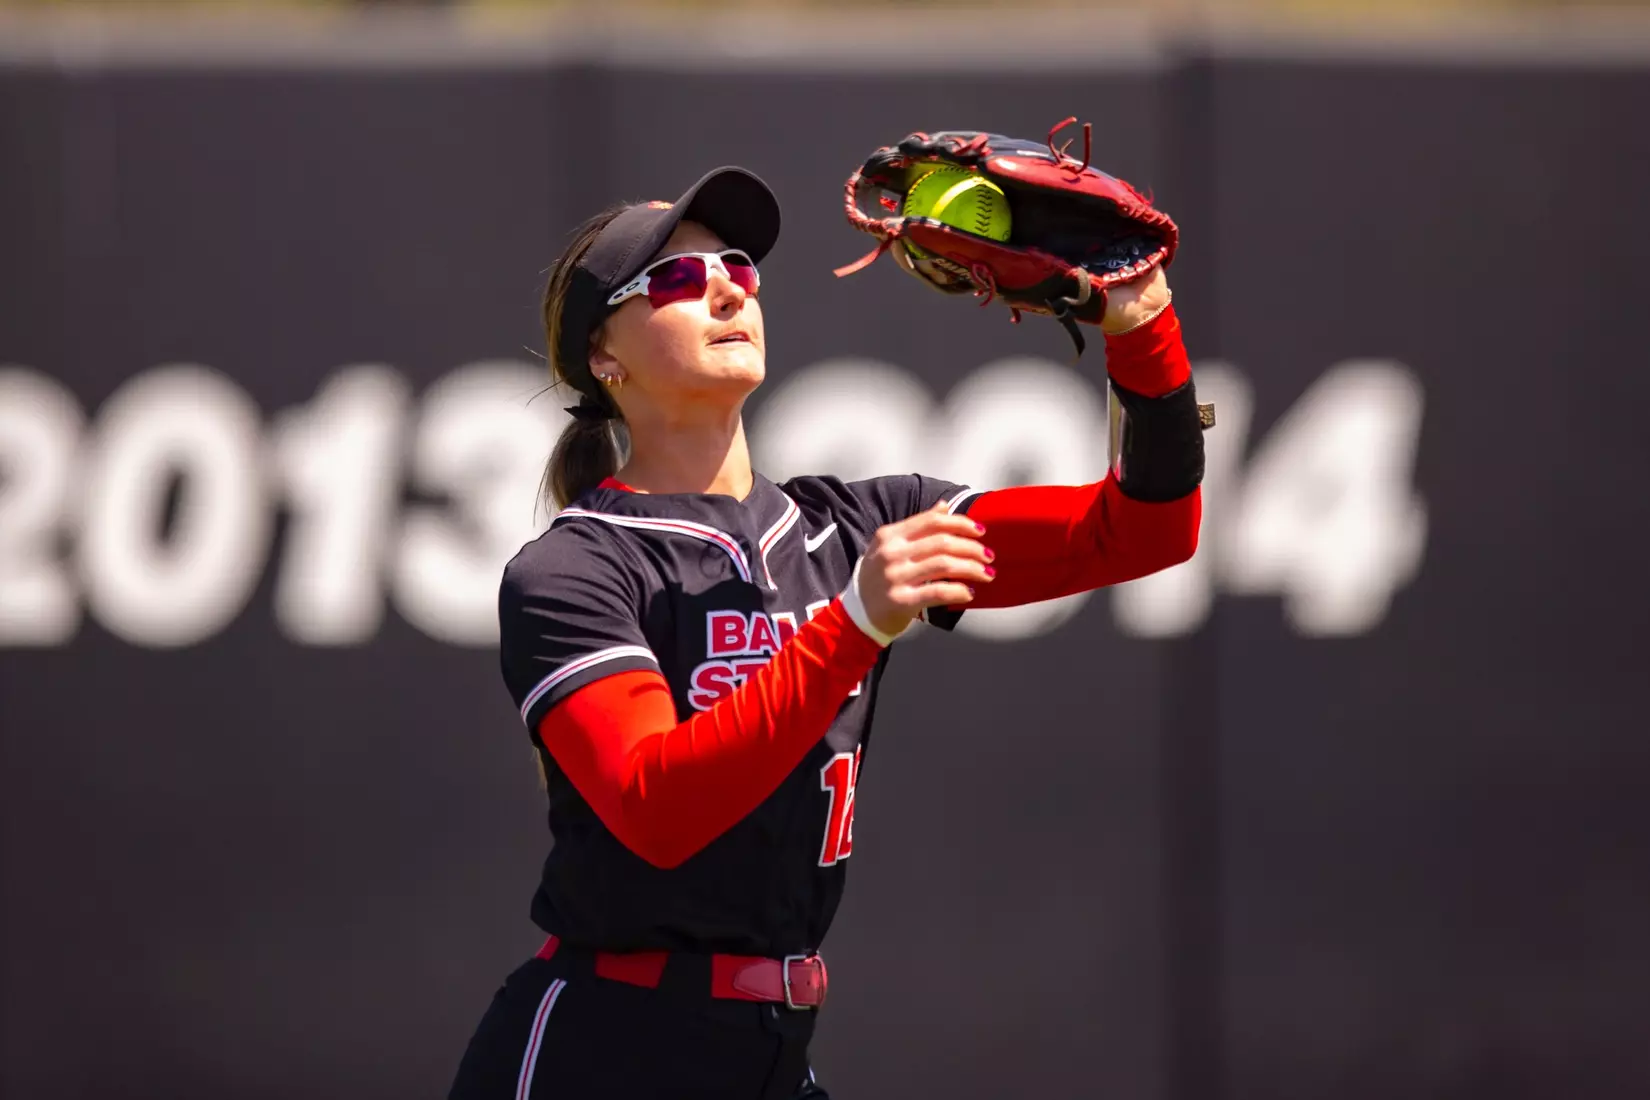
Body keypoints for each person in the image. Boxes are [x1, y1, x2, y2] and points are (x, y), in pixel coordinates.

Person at [447, 166, 1205, 1100]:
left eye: (737, 266)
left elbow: (1144, 529)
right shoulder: (574, 568)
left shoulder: (849, 529)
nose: (728, 284)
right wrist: (854, 623)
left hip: (770, 1049)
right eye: (678, 280)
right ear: (605, 356)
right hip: (605, 1047)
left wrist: (1145, 328)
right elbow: (657, 809)